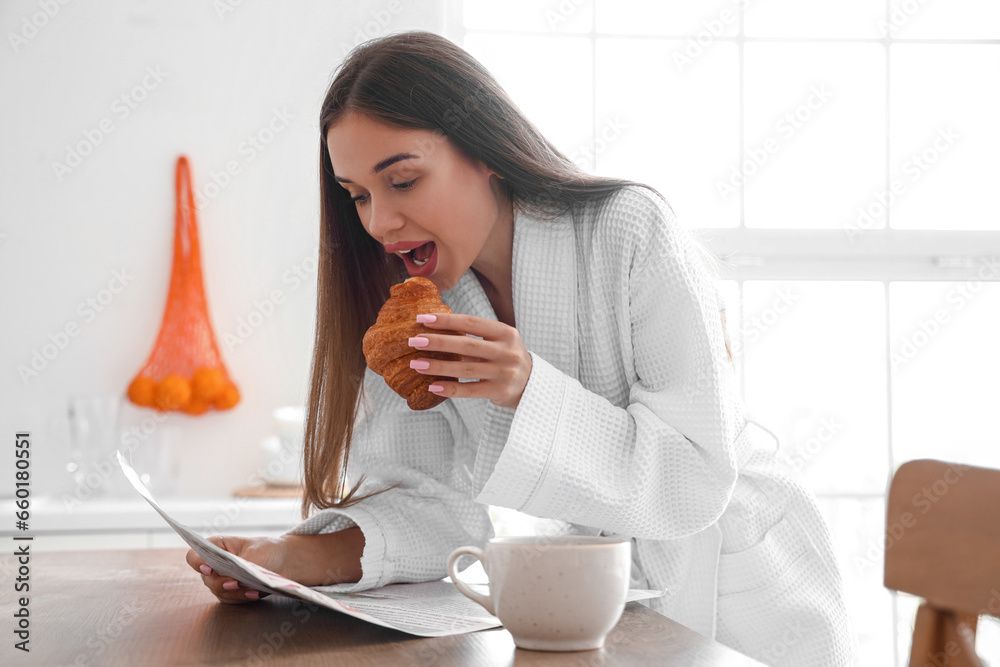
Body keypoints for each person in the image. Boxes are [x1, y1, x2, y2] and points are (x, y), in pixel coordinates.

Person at [187, 30, 859, 666]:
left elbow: (696, 476)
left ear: (482, 151)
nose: (378, 222)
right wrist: (287, 560)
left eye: (402, 180)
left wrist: (527, 385)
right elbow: (430, 505)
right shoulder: (422, 305)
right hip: (616, 601)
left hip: (746, 582)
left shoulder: (630, 229)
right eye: (356, 195)